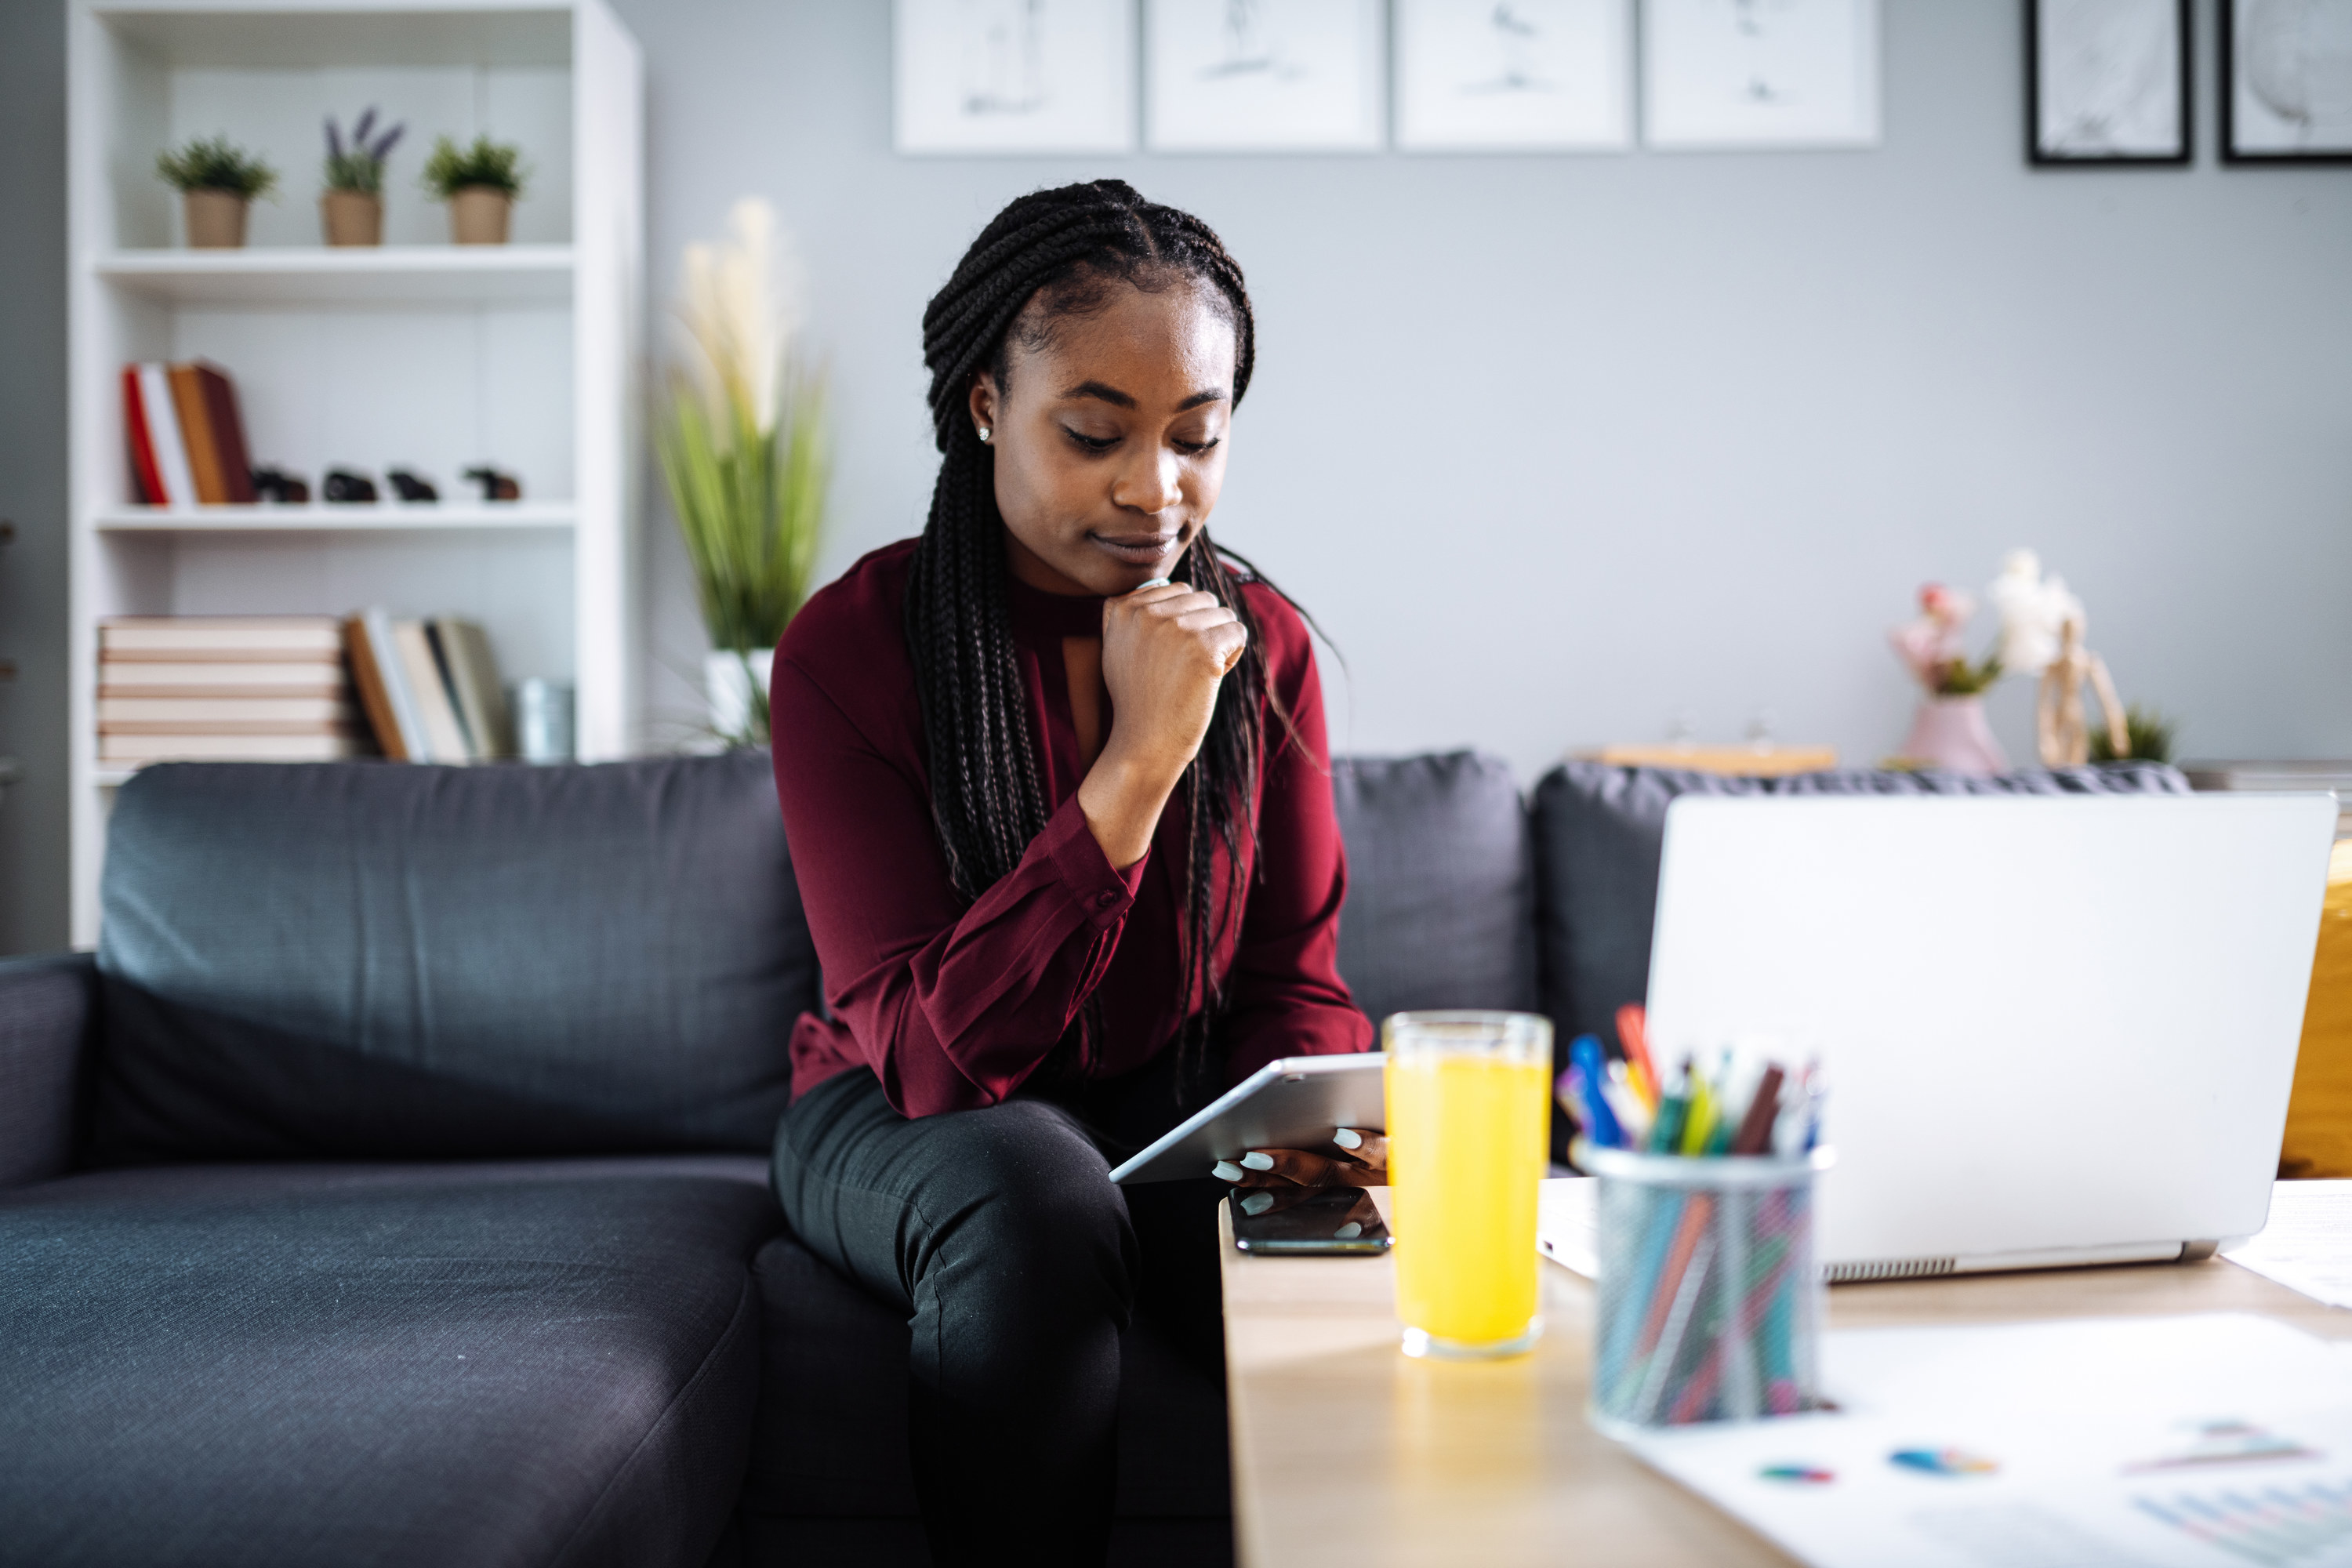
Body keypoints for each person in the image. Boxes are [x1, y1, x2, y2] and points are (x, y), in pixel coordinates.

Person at [766, 180, 1379, 1565]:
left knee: (1346, 1210)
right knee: (1040, 1188)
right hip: (895, 1118)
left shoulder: (1259, 641)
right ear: (986, 402)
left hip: (1169, 1105)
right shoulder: (851, 652)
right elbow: (933, 1059)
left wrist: (1321, 1155)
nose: (1154, 491)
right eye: (1095, 434)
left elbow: (1297, 983)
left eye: (1198, 440)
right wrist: (1139, 767)